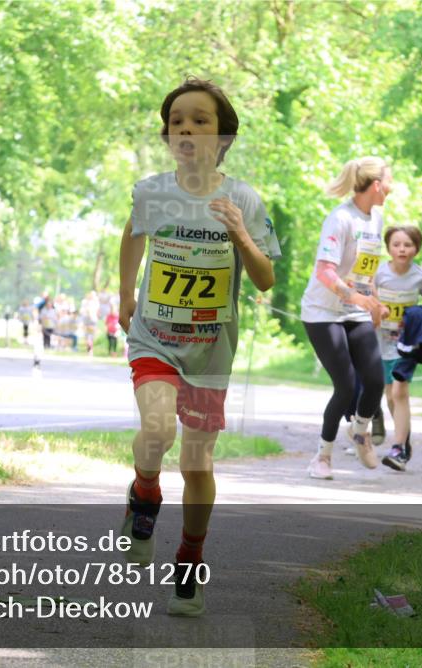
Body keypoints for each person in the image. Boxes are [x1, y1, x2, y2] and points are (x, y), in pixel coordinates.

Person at [117, 78, 279, 617]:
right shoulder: (151, 191)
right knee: (159, 429)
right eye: (177, 120)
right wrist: (125, 296)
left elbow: (264, 280)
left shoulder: (244, 200)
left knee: (196, 462)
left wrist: (241, 235)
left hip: (211, 351)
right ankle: (144, 494)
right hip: (155, 339)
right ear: (168, 135)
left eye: (200, 120)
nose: (186, 128)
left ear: (224, 135)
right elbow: (133, 234)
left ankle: (189, 560)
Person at [300, 156, 391, 478]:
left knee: (375, 380)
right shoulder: (340, 219)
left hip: (356, 310)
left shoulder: (377, 218)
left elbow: (368, 269)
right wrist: (353, 296)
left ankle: (361, 432)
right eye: (389, 181)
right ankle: (322, 457)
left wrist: (375, 303)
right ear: (377, 185)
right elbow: (324, 271)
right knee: (346, 384)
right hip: (323, 311)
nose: (392, 187)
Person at [374, 225, 422, 472]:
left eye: (408, 245)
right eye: (396, 244)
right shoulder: (379, 273)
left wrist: (416, 317)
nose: (402, 249)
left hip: (407, 342)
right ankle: (404, 439)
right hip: (380, 339)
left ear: (416, 249)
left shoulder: (421, 276)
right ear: (388, 247)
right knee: (389, 395)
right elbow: (369, 296)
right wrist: (377, 309)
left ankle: (398, 448)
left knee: (400, 392)